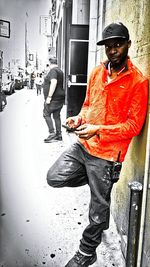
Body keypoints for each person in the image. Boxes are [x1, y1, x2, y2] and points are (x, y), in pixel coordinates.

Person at [46, 22, 149, 267]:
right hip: (84, 146)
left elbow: (134, 127)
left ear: (128, 45)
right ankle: (98, 191)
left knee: (97, 211)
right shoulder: (95, 73)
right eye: (108, 46)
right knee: (54, 177)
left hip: (108, 156)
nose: (113, 50)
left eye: (118, 45)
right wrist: (78, 119)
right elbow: (88, 106)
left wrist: (98, 130)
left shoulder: (139, 82)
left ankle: (87, 250)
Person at [43, 57, 65, 143]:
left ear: (49, 63)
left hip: (54, 98)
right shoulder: (60, 71)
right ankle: (59, 135)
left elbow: (54, 82)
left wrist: (49, 97)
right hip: (59, 97)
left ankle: (52, 133)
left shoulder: (53, 71)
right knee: (56, 116)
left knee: (46, 114)